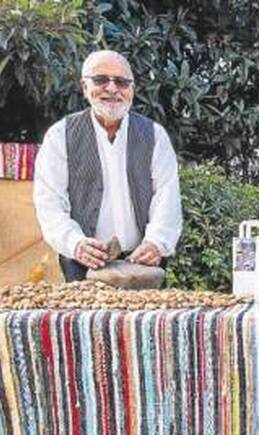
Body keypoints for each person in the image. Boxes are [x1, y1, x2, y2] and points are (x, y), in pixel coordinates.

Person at [33, 50, 184, 282]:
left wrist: (156, 242)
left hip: (143, 263)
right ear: (85, 87)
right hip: (82, 262)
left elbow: (167, 196)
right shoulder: (60, 135)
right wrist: (75, 243)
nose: (112, 88)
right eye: (101, 79)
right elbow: (49, 203)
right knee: (84, 320)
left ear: (132, 90)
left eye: (122, 82)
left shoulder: (154, 135)